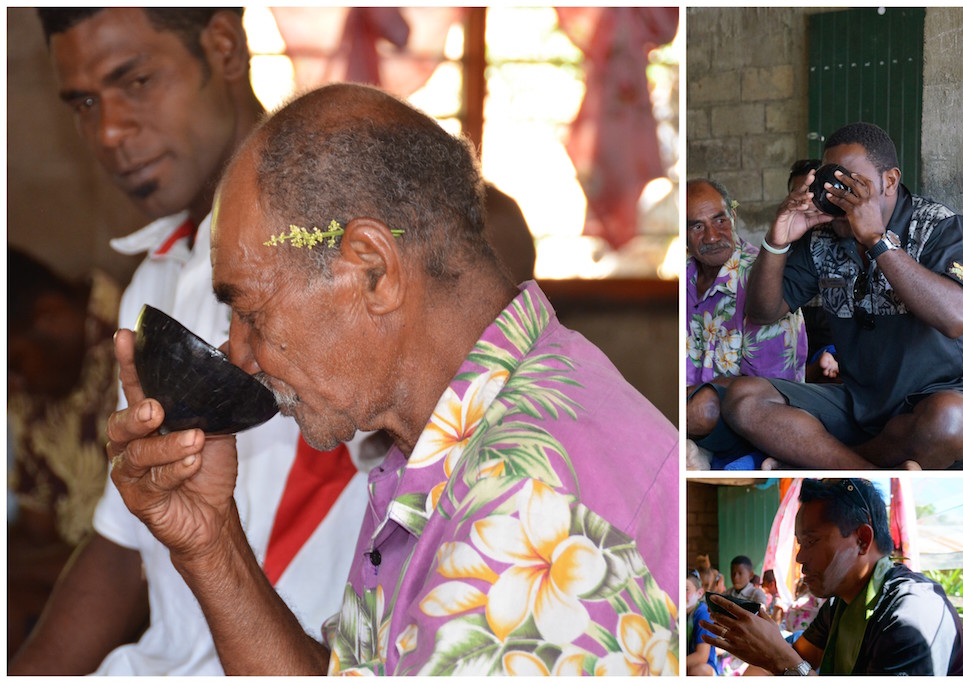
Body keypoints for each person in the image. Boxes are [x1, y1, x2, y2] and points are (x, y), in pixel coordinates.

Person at [103, 82, 680, 676]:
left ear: (373, 271)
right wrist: (213, 544)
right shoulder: (463, 433)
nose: (241, 355)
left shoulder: (524, 526)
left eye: (250, 312)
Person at [11, 9, 371, 674]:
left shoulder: (343, 247)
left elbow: (480, 225)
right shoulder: (155, 279)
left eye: (138, 80)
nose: (110, 131)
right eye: (85, 102)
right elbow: (121, 544)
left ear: (224, 49)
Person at [723, 122, 963, 470]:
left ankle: (818, 458)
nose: (840, 194)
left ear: (890, 180)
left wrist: (877, 241)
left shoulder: (937, 225)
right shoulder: (823, 239)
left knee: (953, 421)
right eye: (832, 181)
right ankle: (869, 470)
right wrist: (778, 239)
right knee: (745, 399)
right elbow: (763, 311)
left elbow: (957, 318)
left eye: (852, 183)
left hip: (934, 402)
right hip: (859, 405)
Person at [700, 478, 963, 675]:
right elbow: (791, 659)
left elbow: (788, 663)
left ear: (862, 539)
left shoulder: (909, 616)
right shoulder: (839, 608)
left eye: (812, 542)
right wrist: (766, 649)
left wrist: (780, 659)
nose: (800, 558)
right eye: (800, 544)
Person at [7, 248, 121, 656]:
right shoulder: (29, 399)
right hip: (64, 586)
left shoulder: (135, 334)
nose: (13, 386)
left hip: (145, 585)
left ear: (50, 317)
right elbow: (38, 530)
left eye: (15, 364)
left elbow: (137, 558)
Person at [685, 178, 807, 467]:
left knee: (704, 408)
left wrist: (692, 392)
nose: (713, 237)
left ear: (734, 217)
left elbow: (769, 388)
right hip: (691, 407)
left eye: (720, 220)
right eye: (697, 226)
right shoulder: (681, 276)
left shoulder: (761, 278)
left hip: (752, 414)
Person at [788, 159, 840, 384]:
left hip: (835, 338)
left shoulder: (840, 239)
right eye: (800, 196)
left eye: (813, 194)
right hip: (798, 340)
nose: (808, 203)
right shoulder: (785, 246)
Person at [686, 570, 719, 675]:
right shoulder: (677, 612)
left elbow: (702, 657)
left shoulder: (702, 612)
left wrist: (672, 664)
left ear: (699, 593)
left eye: (686, 590)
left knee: (697, 670)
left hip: (705, 669)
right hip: (685, 666)